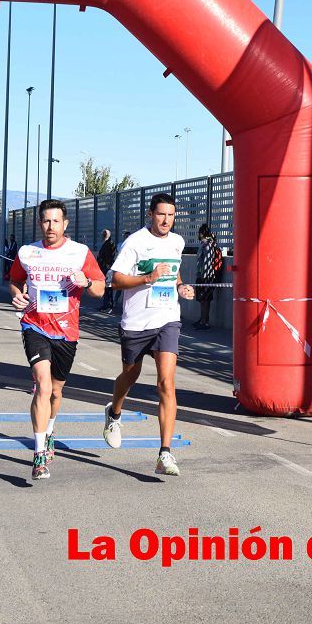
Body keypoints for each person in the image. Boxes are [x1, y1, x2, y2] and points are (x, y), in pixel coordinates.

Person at [9, 200, 106, 480]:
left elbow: (99, 289)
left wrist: (86, 283)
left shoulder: (80, 253)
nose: (50, 227)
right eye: (46, 221)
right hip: (34, 326)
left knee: (56, 392)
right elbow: (15, 280)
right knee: (42, 385)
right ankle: (39, 454)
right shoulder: (28, 252)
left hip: (66, 331)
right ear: (40, 223)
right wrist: (16, 294)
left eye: (56, 221)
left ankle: (49, 430)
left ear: (65, 224)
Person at [102, 193, 195, 477]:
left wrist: (181, 287)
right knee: (129, 375)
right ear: (150, 215)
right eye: (161, 214)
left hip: (167, 319)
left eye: (171, 215)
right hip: (136, 323)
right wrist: (147, 278)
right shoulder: (136, 242)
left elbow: (175, 273)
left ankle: (165, 453)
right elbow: (114, 280)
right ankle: (114, 413)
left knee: (166, 383)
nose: (166, 220)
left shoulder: (177, 242)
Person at [193, 223, 224, 330]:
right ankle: (202, 319)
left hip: (206, 277)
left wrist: (203, 277)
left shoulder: (206, 245)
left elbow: (207, 262)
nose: (198, 235)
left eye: (199, 233)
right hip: (206, 276)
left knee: (205, 300)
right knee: (203, 299)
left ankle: (205, 322)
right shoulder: (207, 244)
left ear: (202, 234)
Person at [97, 229, 116, 312]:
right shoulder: (106, 243)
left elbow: (109, 257)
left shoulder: (109, 243)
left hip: (107, 269)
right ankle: (105, 305)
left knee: (108, 287)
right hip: (105, 268)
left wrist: (107, 267)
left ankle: (108, 306)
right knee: (106, 287)